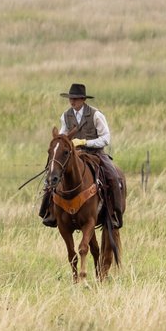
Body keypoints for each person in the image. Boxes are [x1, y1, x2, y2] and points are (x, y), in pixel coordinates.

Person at [57, 82, 125, 231]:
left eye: (75, 98)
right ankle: (49, 212)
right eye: (70, 98)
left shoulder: (96, 115)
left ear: (83, 99)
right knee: (53, 175)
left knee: (113, 177)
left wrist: (84, 142)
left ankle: (115, 214)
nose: (72, 101)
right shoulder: (66, 115)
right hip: (74, 156)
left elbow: (106, 138)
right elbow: (63, 135)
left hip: (96, 154)